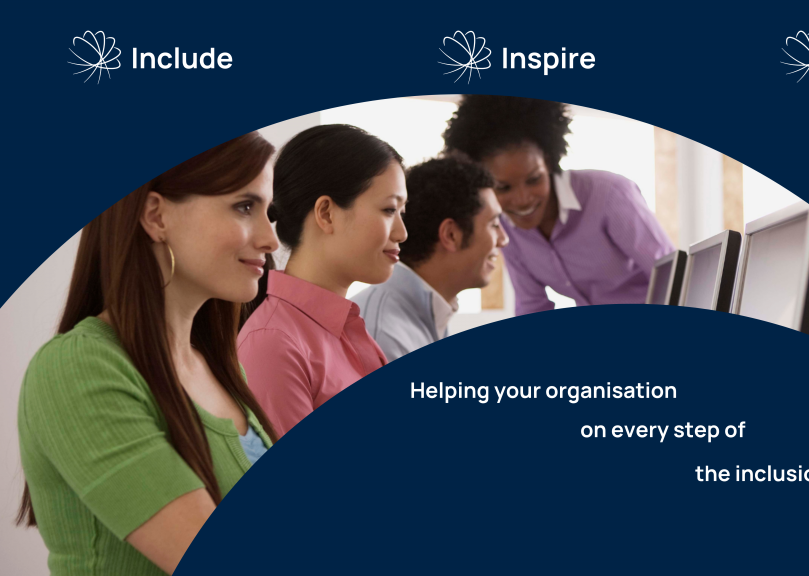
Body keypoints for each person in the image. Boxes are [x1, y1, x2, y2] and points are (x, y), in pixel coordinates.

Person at [17, 133, 281, 575]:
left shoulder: (220, 368)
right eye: (244, 206)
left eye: (268, 212)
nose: (271, 239)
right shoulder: (79, 368)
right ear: (156, 216)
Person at [238, 125, 406, 435]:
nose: (402, 233)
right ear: (326, 213)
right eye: (389, 210)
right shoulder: (273, 345)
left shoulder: (346, 330)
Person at [442, 95, 675, 315]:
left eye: (534, 179)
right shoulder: (505, 229)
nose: (523, 199)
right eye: (504, 188)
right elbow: (532, 307)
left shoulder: (609, 195)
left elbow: (674, 276)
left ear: (550, 163)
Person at [352, 157, 508, 361]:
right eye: (494, 224)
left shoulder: (426, 315)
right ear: (451, 235)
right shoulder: (385, 336)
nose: (503, 239)